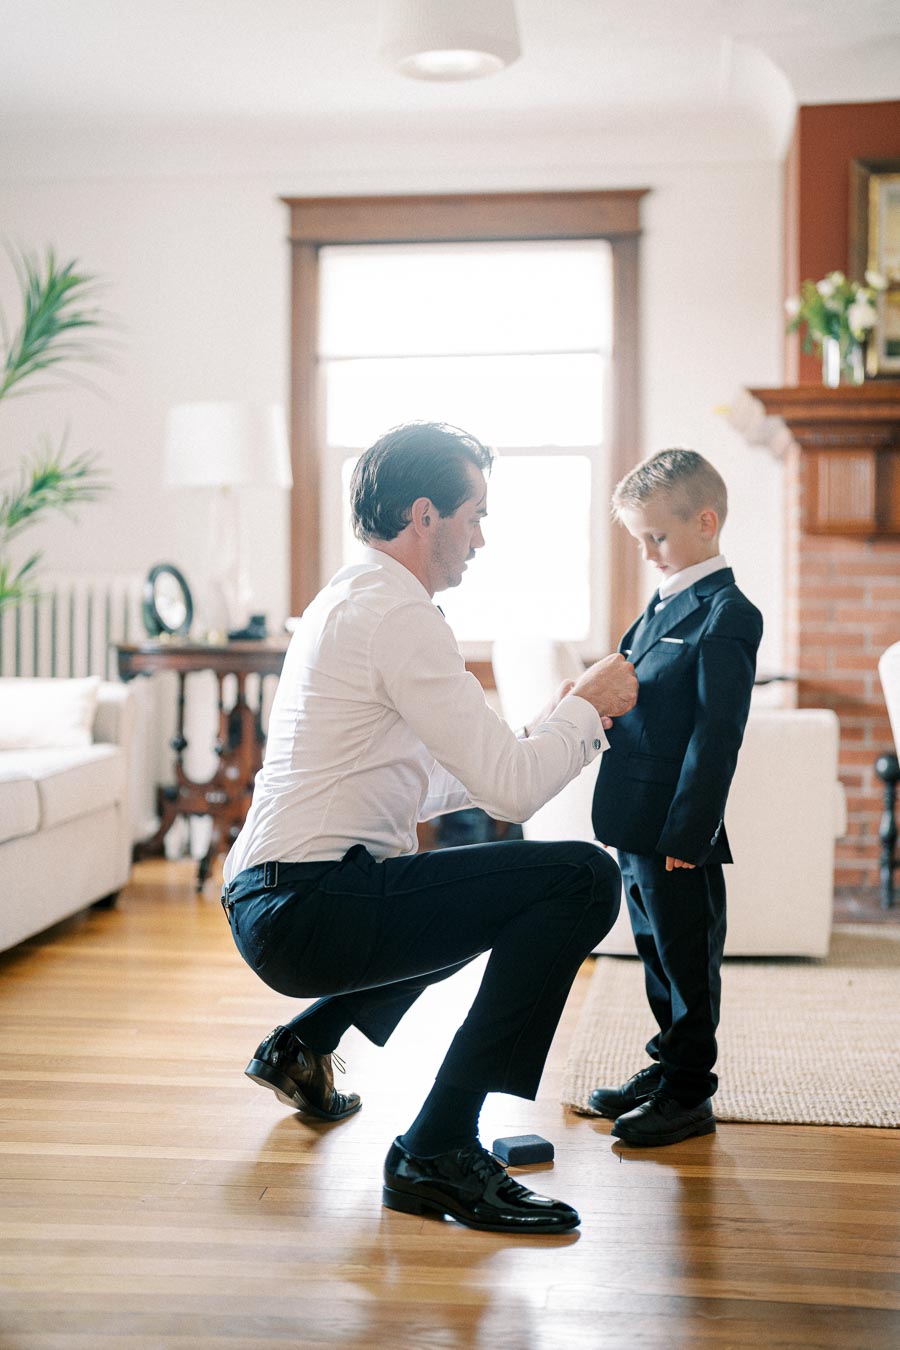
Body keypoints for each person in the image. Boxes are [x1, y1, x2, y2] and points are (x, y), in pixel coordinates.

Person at [222, 421, 637, 1235]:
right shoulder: (399, 617)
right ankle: (437, 1148)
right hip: (308, 907)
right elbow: (513, 798)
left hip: (278, 896)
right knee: (583, 878)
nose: (481, 537)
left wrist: (538, 732)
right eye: (474, 514)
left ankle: (304, 1046)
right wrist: (588, 708)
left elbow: (424, 780)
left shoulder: (351, 597)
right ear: (424, 515)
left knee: (478, 893)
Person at [588, 448, 763, 1147]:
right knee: (655, 952)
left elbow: (717, 736)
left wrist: (688, 835)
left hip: (675, 831)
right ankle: (668, 1066)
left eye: (656, 537)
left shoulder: (727, 613)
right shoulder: (663, 604)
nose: (648, 552)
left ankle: (690, 1093)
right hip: (635, 818)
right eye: (639, 540)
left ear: (706, 521)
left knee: (688, 960)